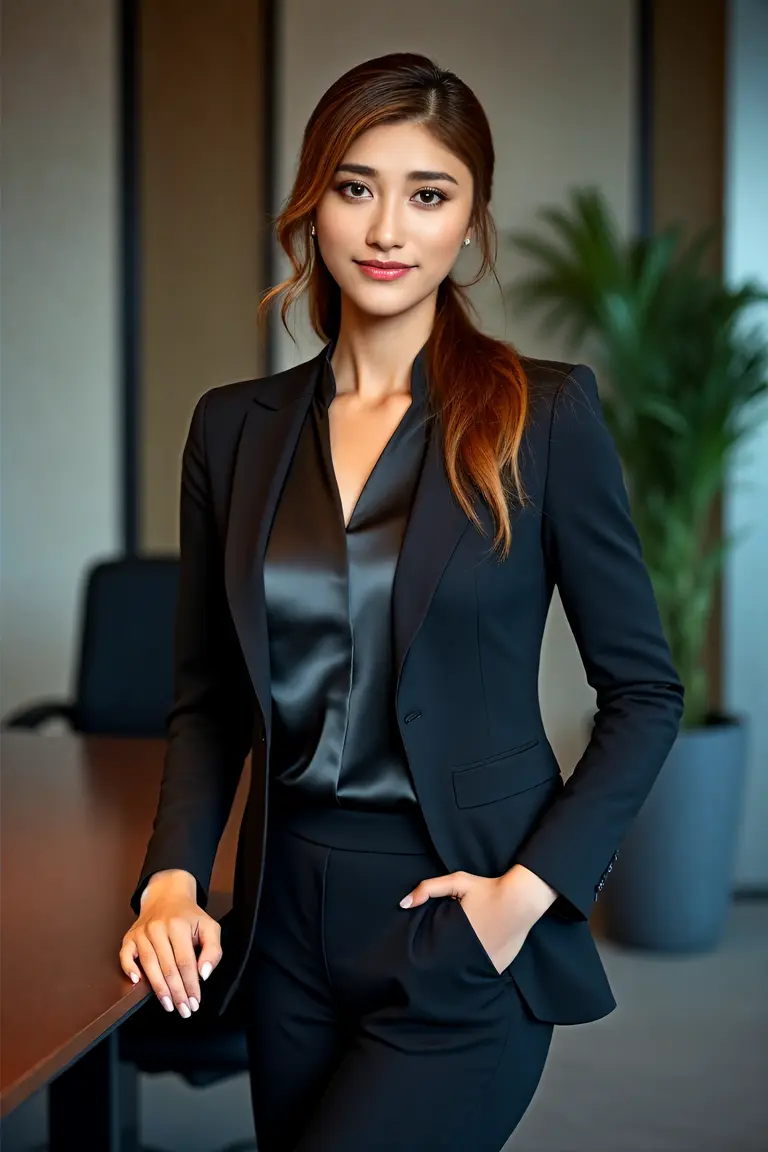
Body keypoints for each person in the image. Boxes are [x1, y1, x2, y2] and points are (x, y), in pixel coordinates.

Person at [119, 52, 684, 1152]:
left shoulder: (545, 415)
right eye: (356, 186)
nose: (388, 228)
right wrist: (170, 880)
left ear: (471, 225)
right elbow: (209, 703)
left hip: (461, 915)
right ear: (313, 206)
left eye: (429, 194)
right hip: (283, 922)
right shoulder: (231, 430)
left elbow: (645, 692)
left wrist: (524, 897)